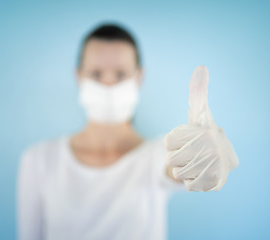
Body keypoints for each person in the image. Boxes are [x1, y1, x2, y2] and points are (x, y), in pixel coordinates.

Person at [16, 22, 239, 240]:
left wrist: (201, 156)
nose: (109, 84)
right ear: (78, 77)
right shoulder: (39, 159)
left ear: (139, 77)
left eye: (121, 74)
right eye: (96, 74)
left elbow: (173, 167)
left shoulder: (157, 154)